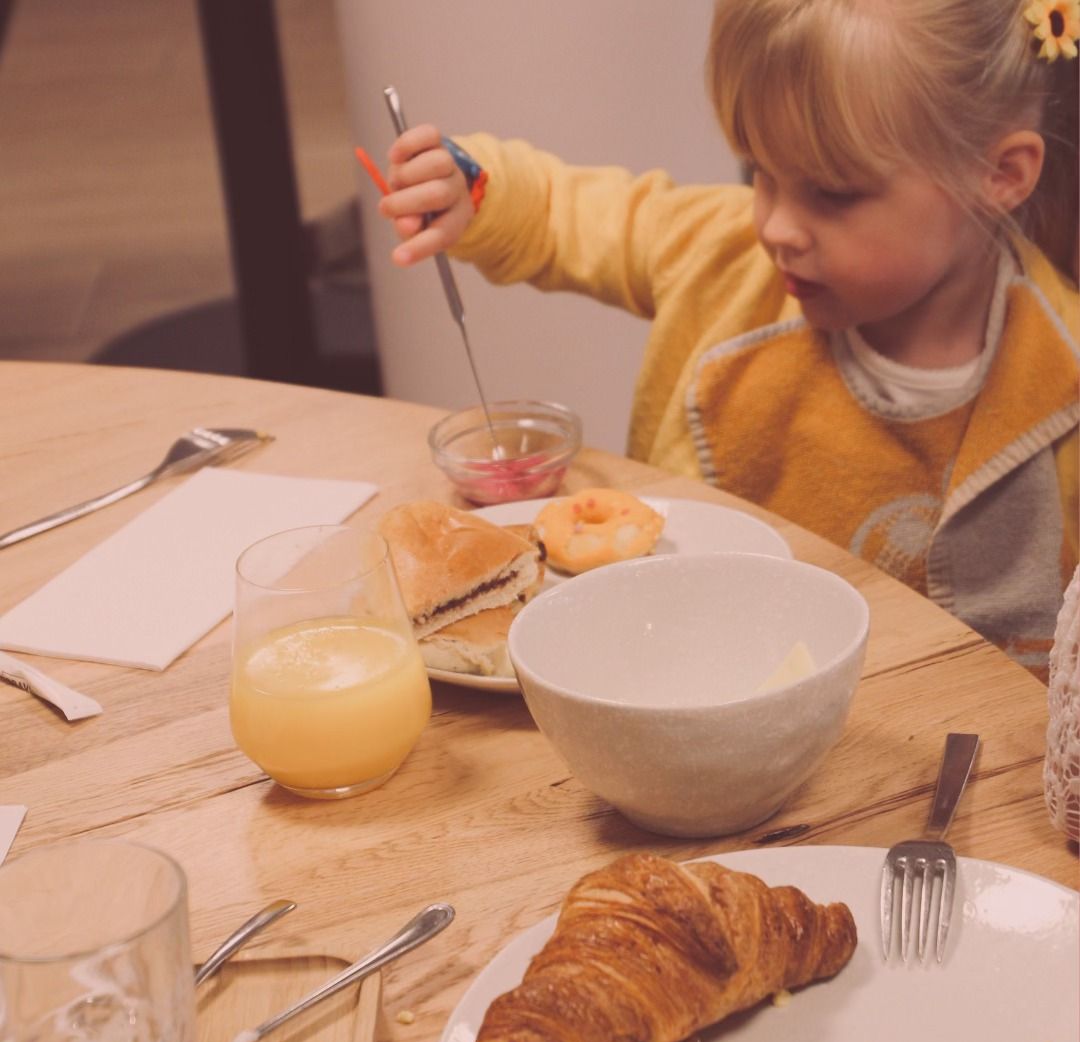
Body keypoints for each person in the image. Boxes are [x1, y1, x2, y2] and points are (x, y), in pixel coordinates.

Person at [376, 0, 1079, 681]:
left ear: (1001, 176)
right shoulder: (720, 257)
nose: (774, 226)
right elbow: (568, 212)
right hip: (668, 686)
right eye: (760, 174)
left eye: (832, 193)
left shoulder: (1065, 380)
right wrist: (475, 192)